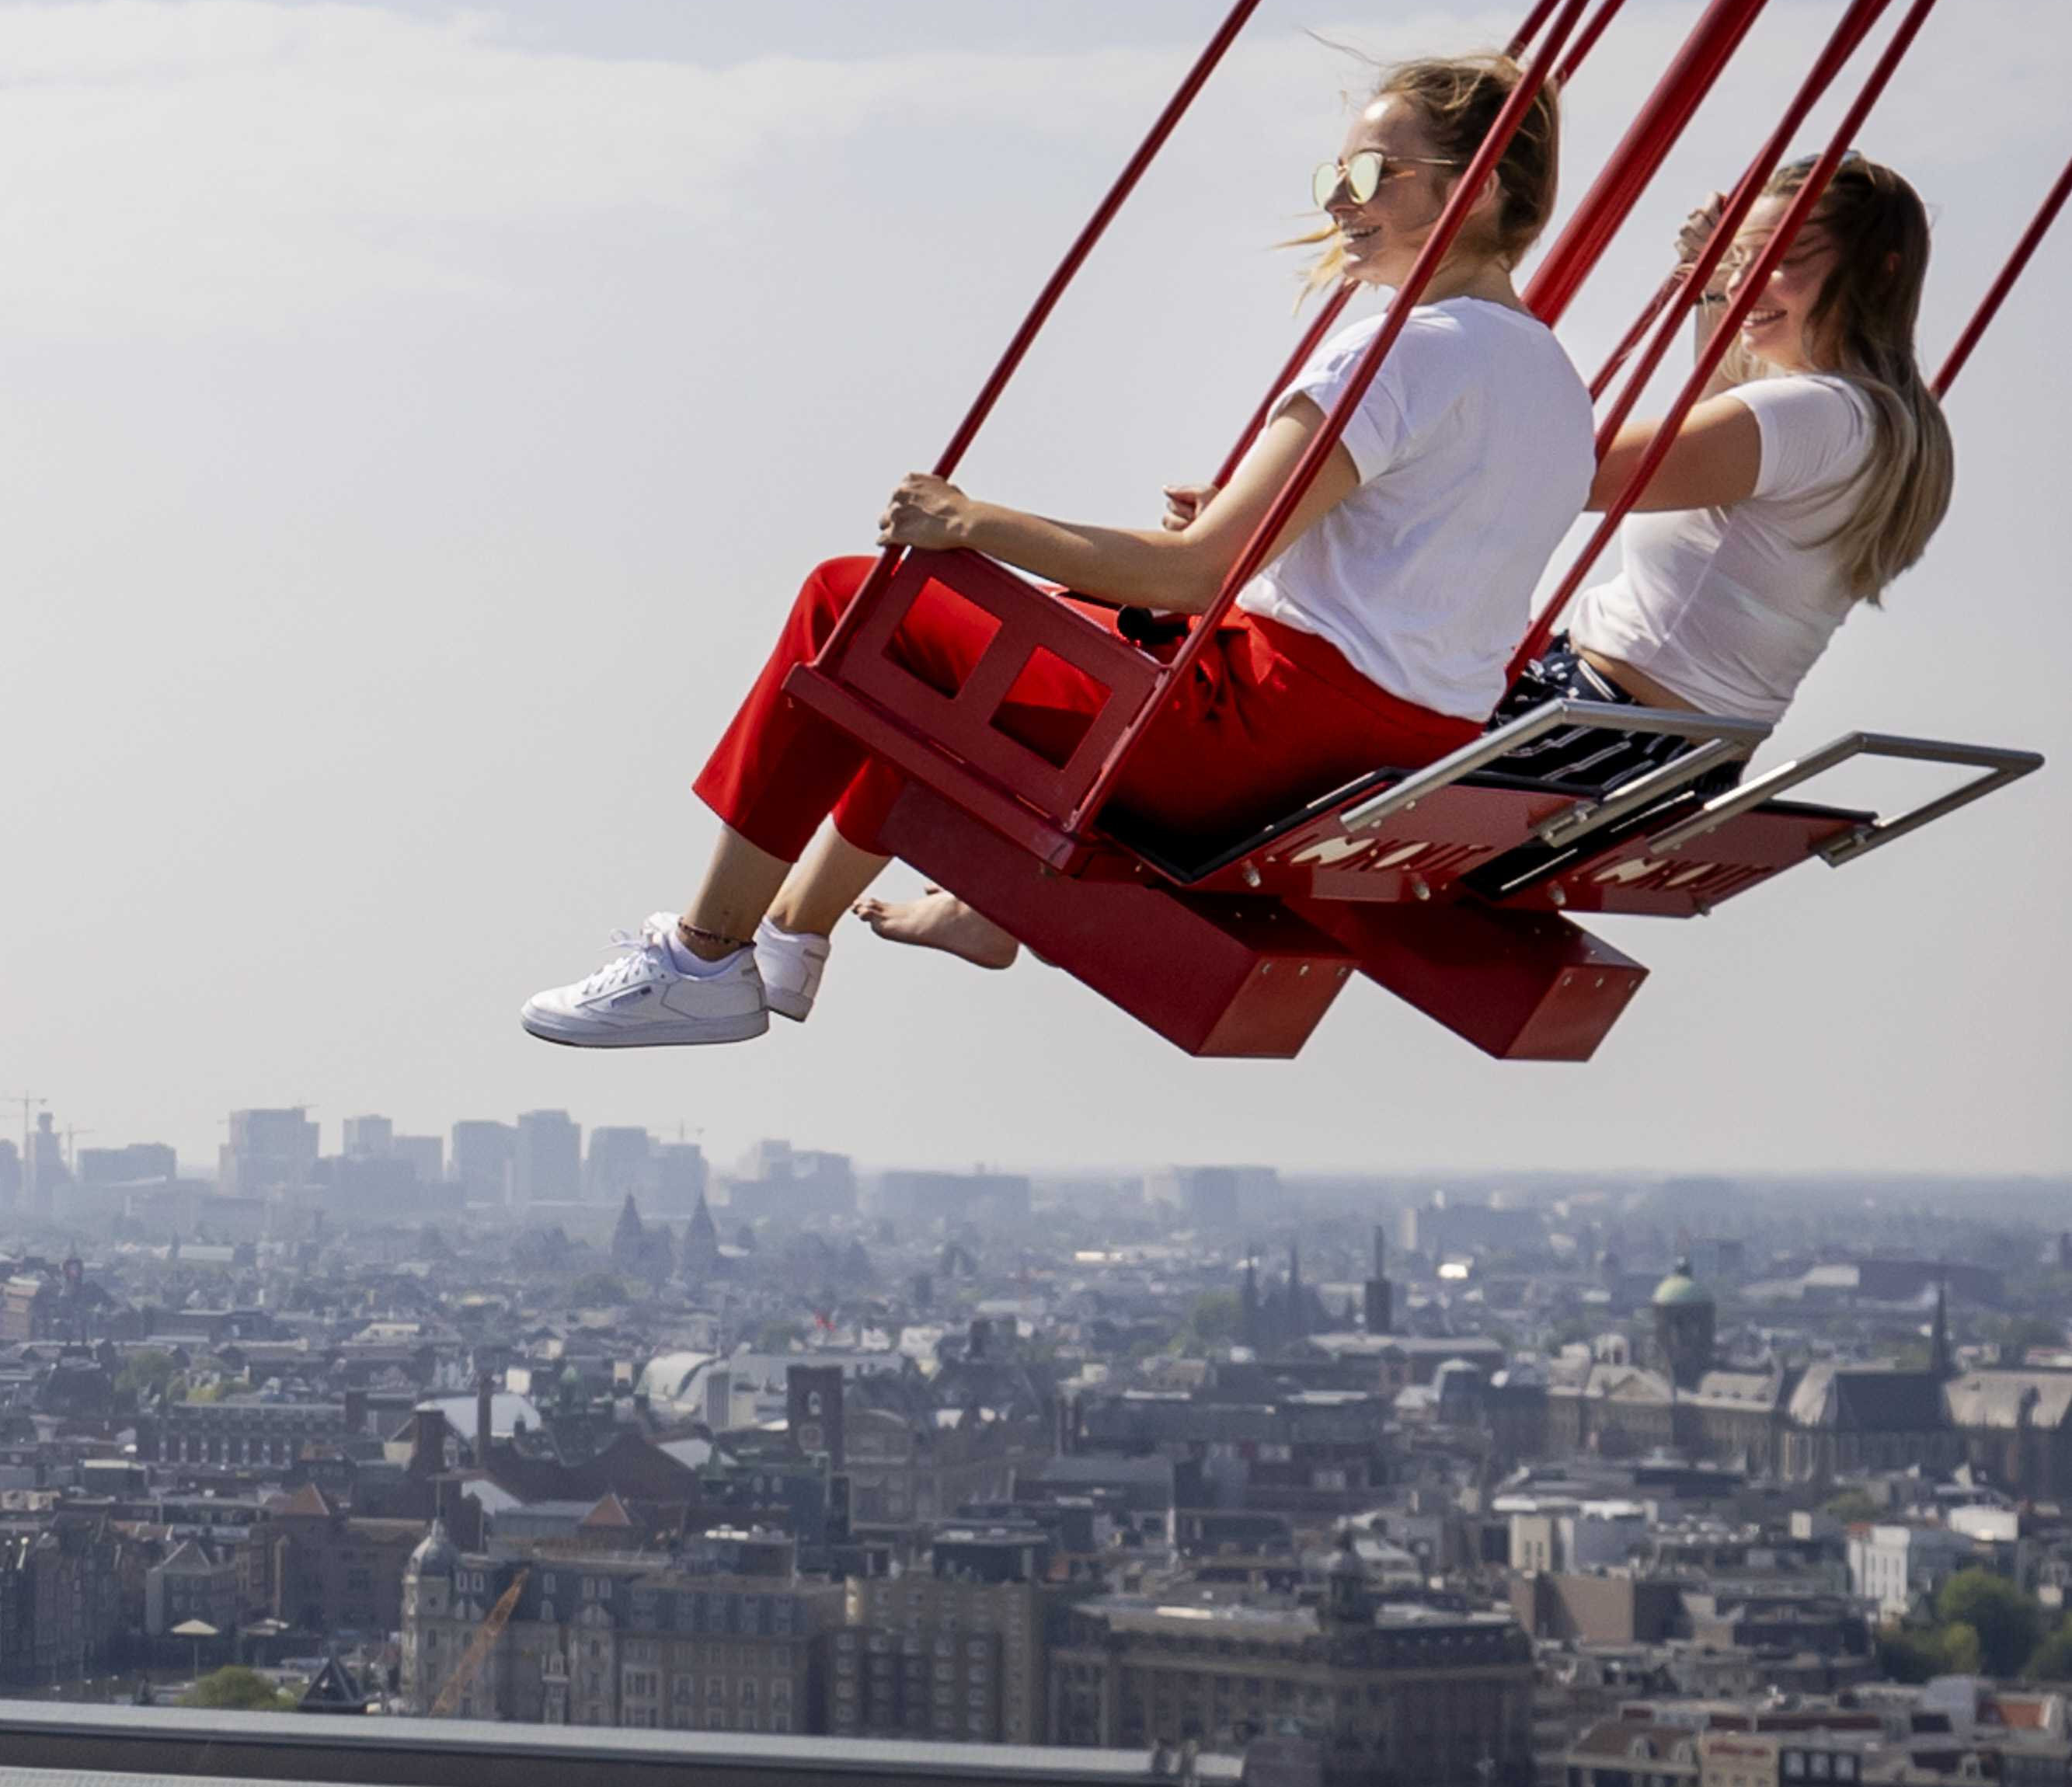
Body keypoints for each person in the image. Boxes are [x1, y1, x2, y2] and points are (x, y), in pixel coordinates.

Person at [520, 54, 1596, 1047]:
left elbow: (1195, 575)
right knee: (975, 641)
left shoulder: (1403, 348)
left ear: (1481, 188)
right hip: (1383, 751)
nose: (1339, 198)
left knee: (856, 604)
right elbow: (1414, 566)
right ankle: (796, 938)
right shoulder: (1551, 378)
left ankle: (705, 957)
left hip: (1254, 737)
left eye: (1373, 169)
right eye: (1339, 169)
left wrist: (972, 521)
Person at [1518, 149, 1953, 738]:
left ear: (1880, 271)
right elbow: (1715, 423)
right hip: (1662, 750)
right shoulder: (1883, 422)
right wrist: (1713, 283)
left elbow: (1555, 472)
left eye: (1782, 259)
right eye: (1742, 261)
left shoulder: (1814, 413)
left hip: (1586, 728)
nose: (1746, 284)